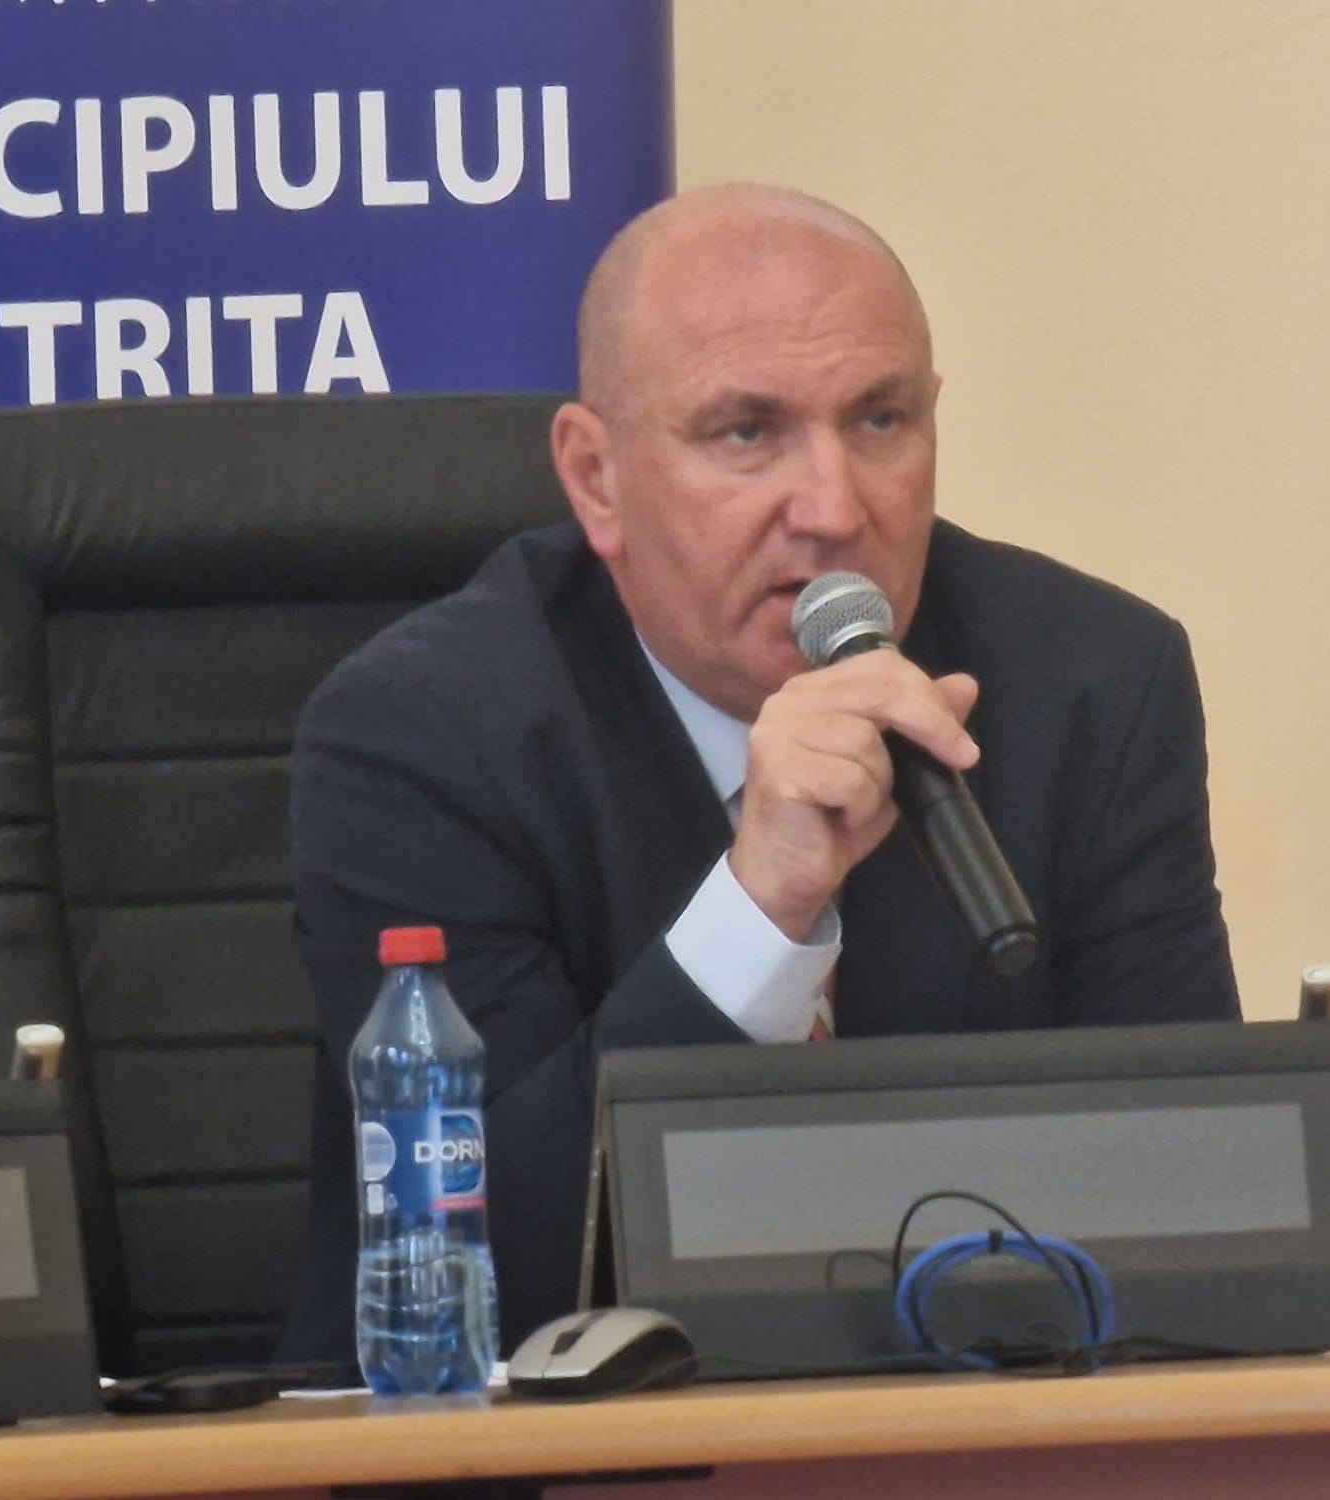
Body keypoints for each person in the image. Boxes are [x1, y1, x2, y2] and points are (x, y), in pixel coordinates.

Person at [277, 184, 1241, 1362]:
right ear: (595, 478)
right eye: (746, 433)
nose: (832, 509)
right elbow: (482, 1263)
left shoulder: (1093, 685)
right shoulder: (416, 735)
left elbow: (1201, 1209)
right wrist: (757, 911)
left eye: (879, 420)